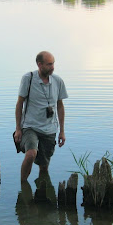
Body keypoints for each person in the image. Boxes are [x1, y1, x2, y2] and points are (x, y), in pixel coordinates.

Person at [14, 51, 68, 182]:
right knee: (31, 154)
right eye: (49, 64)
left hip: (50, 129)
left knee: (44, 166)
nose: (53, 67)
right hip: (30, 126)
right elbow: (20, 103)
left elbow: (60, 106)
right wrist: (18, 128)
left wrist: (62, 131)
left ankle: (42, 193)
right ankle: (23, 186)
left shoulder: (58, 81)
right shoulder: (29, 78)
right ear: (40, 64)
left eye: (53, 63)